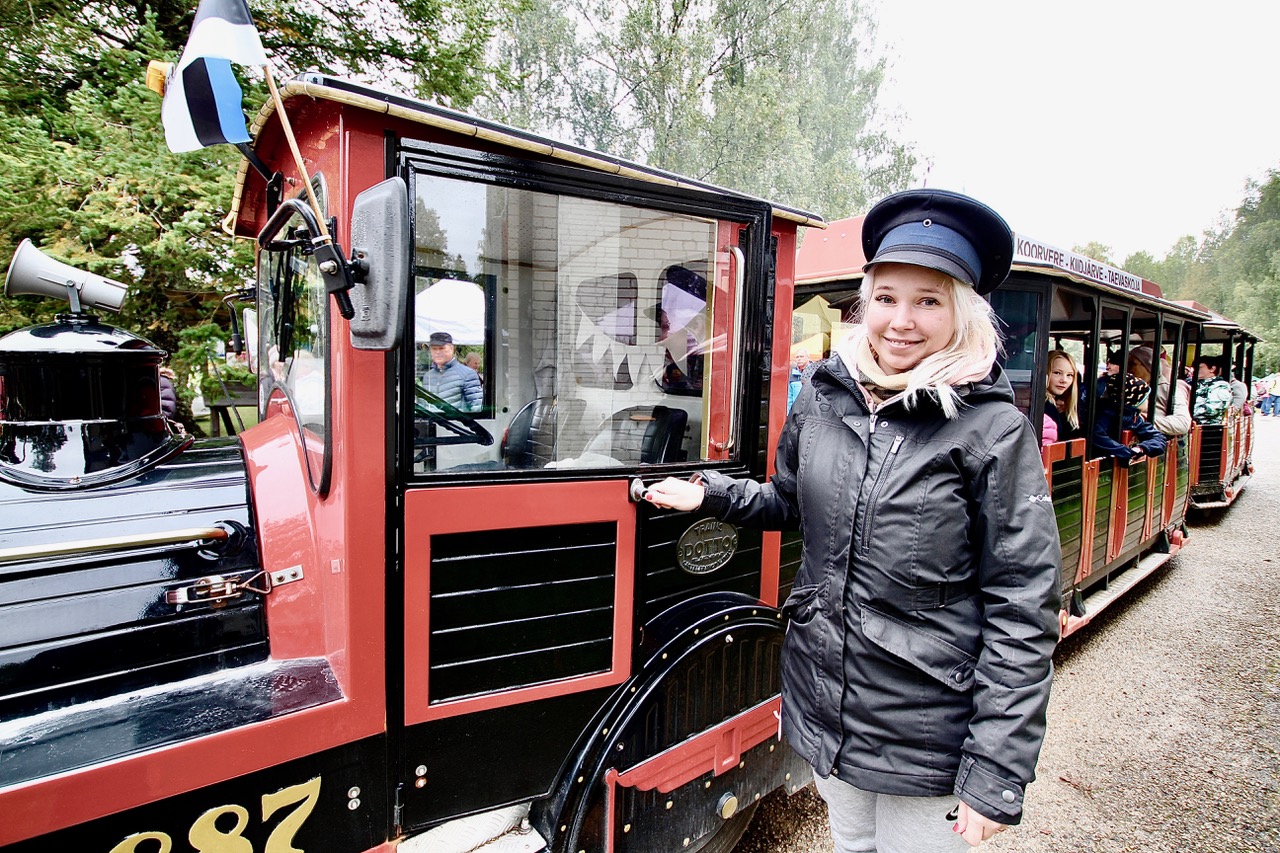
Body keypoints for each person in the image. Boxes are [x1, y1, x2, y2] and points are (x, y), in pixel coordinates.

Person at [644, 189, 1061, 851]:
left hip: (927, 731)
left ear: (961, 310)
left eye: (929, 299)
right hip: (828, 701)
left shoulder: (992, 430)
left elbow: (1022, 608)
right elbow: (787, 500)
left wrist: (996, 770)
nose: (902, 319)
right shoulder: (826, 397)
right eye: (888, 297)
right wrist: (711, 494)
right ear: (866, 303)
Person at [1092, 373, 1167, 464]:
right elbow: (1096, 436)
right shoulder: (1105, 416)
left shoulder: (1135, 418)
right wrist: (1124, 451)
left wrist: (1142, 448)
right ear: (1136, 401)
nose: (1148, 402)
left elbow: (1158, 437)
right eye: (1145, 398)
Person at [1126, 346, 1190, 439]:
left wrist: (1142, 420)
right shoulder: (1122, 386)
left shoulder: (1168, 389)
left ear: (1149, 366)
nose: (1127, 368)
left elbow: (1182, 423)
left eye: (1132, 364)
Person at [422, 331, 483, 412]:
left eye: (441, 348)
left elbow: (477, 408)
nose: (437, 352)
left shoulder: (467, 374)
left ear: (451, 349)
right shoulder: (427, 376)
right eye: (434, 349)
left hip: (456, 424)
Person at [1044, 349, 1082, 442]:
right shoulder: (1045, 406)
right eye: (1057, 373)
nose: (1064, 380)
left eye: (1069, 375)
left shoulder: (1066, 407)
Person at [1192, 357, 1233, 425]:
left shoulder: (1220, 386)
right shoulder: (1196, 384)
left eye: (1199, 367)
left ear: (1212, 369)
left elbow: (1213, 408)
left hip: (1207, 427)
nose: (1195, 370)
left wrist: (1186, 413)